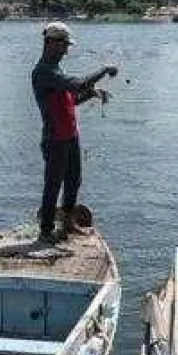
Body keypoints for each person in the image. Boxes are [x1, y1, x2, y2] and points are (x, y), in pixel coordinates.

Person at [31, 21, 118, 243]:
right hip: (54, 139)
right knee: (53, 184)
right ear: (49, 43)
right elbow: (79, 84)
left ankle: (67, 223)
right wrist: (104, 70)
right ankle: (46, 230)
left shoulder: (57, 70)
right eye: (63, 45)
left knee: (73, 180)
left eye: (67, 46)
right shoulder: (43, 72)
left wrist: (93, 94)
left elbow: (71, 100)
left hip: (70, 135)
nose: (66, 50)